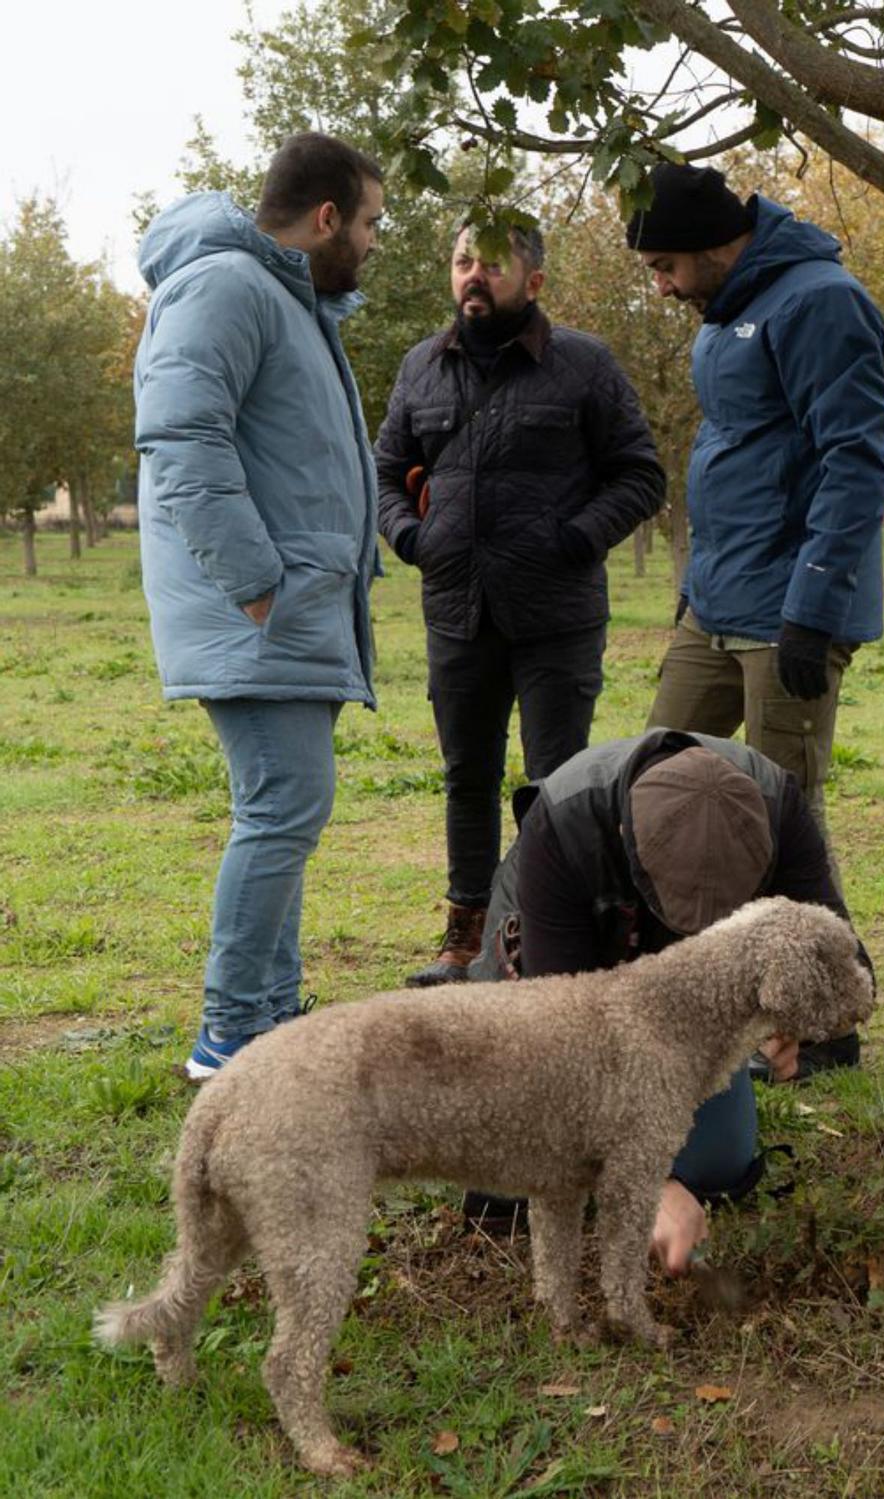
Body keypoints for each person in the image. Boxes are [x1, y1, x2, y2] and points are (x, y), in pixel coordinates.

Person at [134, 132, 384, 1079]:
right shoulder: (228, 287)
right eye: (367, 224)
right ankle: (233, 1034)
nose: (370, 243)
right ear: (325, 218)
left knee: (287, 807)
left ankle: (270, 1018)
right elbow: (181, 436)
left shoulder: (286, 301)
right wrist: (254, 579)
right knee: (283, 807)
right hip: (261, 611)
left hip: (297, 608)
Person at [375, 222, 666, 986]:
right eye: (463, 261)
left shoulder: (583, 364)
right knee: (467, 776)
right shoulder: (421, 368)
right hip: (457, 611)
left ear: (533, 282)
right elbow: (385, 473)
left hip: (555, 617)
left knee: (558, 782)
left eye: (492, 266)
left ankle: (547, 936)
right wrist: (413, 539)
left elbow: (640, 475)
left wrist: (575, 539)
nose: (474, 276)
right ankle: (464, 939)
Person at [466, 729, 874, 1274]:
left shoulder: (778, 805)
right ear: (622, 834)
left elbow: (845, 965)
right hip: (569, 978)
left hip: (685, 1007)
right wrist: (650, 1180)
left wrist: (792, 1023)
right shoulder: (565, 824)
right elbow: (565, 1039)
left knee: (715, 1162)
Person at [626, 163, 884, 882]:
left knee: (784, 814)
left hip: (789, 612)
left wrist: (811, 609)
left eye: (665, 266)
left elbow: (857, 462)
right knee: (655, 783)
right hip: (718, 601)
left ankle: (827, 981)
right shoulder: (722, 314)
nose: (662, 287)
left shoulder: (819, 302)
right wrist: (697, 586)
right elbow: (736, 451)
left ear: (714, 243)